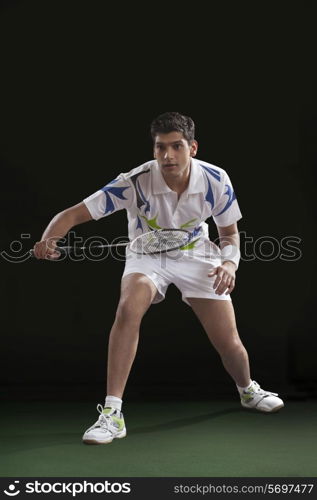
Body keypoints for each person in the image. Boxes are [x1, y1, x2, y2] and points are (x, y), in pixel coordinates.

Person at [33, 111, 284, 445]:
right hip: (146, 255)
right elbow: (74, 213)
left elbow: (230, 234)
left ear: (192, 147)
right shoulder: (134, 181)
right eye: (160, 147)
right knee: (128, 308)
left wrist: (229, 265)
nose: (167, 155)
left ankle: (247, 389)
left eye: (176, 146)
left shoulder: (215, 178)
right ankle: (112, 413)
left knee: (228, 340)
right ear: (154, 150)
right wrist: (48, 238)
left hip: (199, 255)